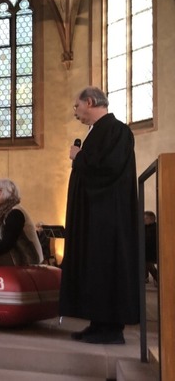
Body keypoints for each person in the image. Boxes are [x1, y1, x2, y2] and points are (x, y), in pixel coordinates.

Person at [59, 86, 139, 345]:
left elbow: (108, 169)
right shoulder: (98, 132)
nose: (75, 112)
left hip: (108, 218)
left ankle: (111, 329)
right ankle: (97, 323)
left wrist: (79, 156)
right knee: (95, 267)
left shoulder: (116, 130)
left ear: (90, 102)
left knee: (106, 266)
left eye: (76, 106)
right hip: (95, 216)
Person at [144, 211, 158, 285]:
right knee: (145, 262)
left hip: (152, 251)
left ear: (151, 219)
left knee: (147, 263)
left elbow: (149, 240)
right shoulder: (145, 227)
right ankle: (145, 277)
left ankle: (157, 278)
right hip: (146, 250)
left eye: (145, 218)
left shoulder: (155, 228)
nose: (143, 220)